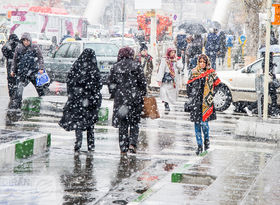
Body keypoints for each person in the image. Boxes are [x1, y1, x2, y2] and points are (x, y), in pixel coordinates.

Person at [59, 48, 102, 153]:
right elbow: (98, 85)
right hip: (91, 101)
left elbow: (69, 81)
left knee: (79, 122)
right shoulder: (94, 69)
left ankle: (78, 142)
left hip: (77, 100)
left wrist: (73, 94)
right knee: (90, 124)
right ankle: (91, 145)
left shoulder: (76, 67)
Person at [108, 47, 147, 154]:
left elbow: (111, 84)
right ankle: (132, 144)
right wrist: (142, 92)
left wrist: (114, 93)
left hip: (121, 99)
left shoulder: (115, 66)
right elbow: (142, 83)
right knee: (134, 122)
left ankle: (123, 147)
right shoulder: (137, 66)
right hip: (134, 98)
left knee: (123, 123)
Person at [187, 54, 221, 155]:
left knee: (205, 125)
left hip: (206, 103)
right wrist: (191, 97)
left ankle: (206, 140)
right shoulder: (193, 72)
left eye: (204, 62)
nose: (202, 64)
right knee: (197, 125)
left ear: (206, 63)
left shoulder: (211, 73)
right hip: (196, 102)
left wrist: (211, 94)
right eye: (200, 62)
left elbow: (218, 85)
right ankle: (199, 145)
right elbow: (188, 86)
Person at [11, 32, 47, 109]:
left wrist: (41, 68)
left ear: (30, 40)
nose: (26, 42)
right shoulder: (19, 48)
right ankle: (17, 105)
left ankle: (44, 101)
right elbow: (15, 60)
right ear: (22, 41)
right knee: (19, 89)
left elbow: (40, 58)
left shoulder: (35, 47)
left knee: (39, 87)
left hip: (33, 71)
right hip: (22, 72)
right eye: (24, 41)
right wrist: (13, 70)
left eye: (27, 41)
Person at [244, 52, 279, 116]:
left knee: (269, 98)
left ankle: (250, 108)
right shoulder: (267, 61)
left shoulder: (267, 61)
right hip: (269, 81)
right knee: (269, 98)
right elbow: (268, 72)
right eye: (272, 54)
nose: (273, 55)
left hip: (269, 81)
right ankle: (275, 112)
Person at [1, 34, 19, 100]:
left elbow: (3, 49)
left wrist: (8, 56)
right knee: (17, 79)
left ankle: (11, 94)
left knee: (10, 79)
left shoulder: (8, 43)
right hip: (17, 63)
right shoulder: (19, 43)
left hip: (10, 63)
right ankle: (16, 93)